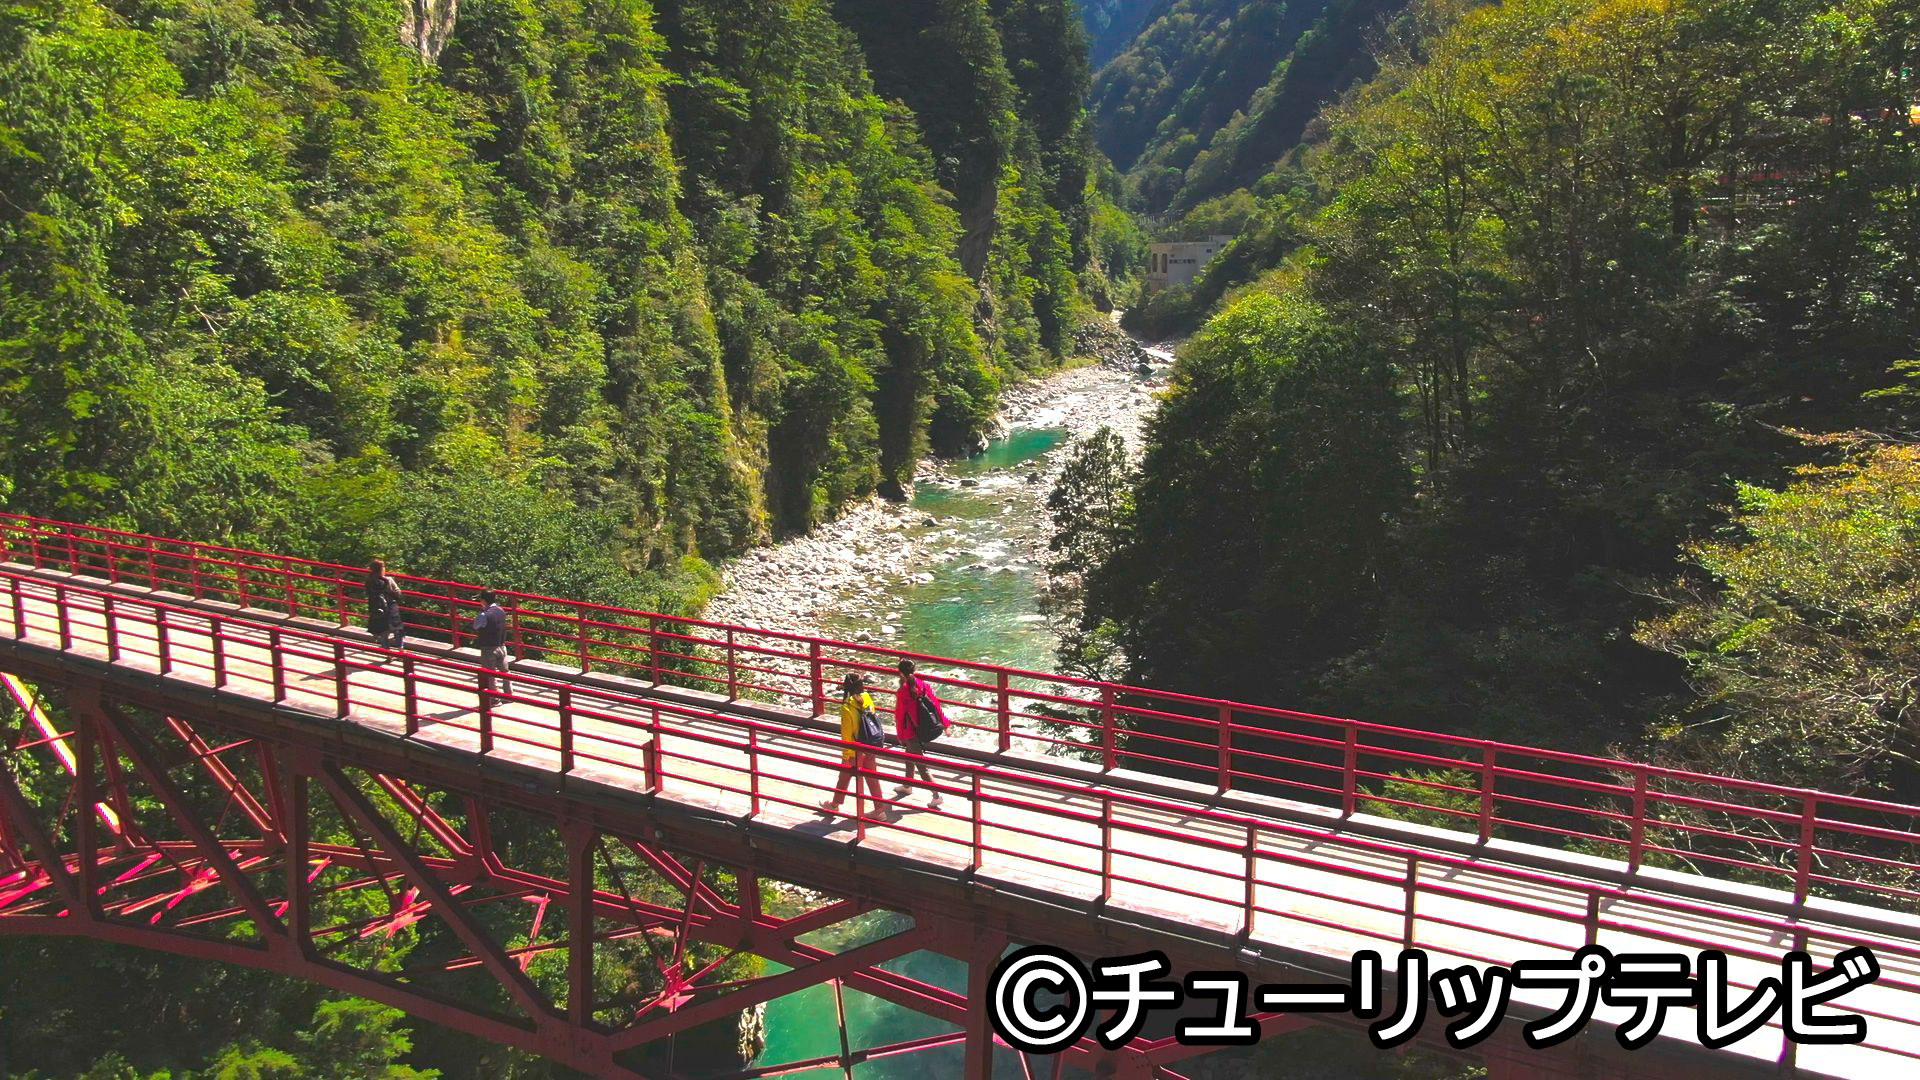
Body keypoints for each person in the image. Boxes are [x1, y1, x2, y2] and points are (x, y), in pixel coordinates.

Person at [819, 674, 886, 816]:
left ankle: (834, 805)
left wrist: (847, 755)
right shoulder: (867, 699)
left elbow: (847, 735)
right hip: (869, 745)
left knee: (844, 776)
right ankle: (880, 811)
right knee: (872, 778)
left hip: (855, 750)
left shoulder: (847, 707)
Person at [892, 659, 945, 810]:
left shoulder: (903, 691)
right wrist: (945, 723)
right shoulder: (922, 685)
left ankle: (937, 795)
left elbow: (900, 716)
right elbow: (935, 704)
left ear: (900, 673)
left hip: (911, 732)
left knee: (922, 767)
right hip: (923, 727)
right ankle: (907, 785)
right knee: (909, 756)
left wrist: (900, 735)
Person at [472, 589, 510, 694]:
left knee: (490, 674)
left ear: (483, 601)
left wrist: (481, 612)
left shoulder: (484, 614)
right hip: (501, 645)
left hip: (488, 648)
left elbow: (476, 626)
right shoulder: (501, 611)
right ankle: (509, 694)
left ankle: (494, 697)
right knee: (505, 672)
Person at [364, 559, 405, 651]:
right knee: (397, 629)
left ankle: (387, 652)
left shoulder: (369, 581)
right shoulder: (388, 580)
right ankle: (400, 649)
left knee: (382, 631)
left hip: (377, 608)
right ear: (382, 569)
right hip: (391, 607)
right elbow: (398, 593)